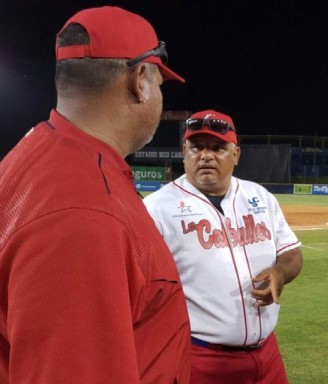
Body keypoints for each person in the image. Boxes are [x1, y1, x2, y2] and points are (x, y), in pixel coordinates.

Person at [0, 6, 191, 383]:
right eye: (159, 83)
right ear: (139, 80)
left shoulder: (40, 153)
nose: (158, 96)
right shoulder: (84, 213)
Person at [143, 109, 304, 384]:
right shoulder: (157, 208)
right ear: (184, 151)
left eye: (218, 148)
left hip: (268, 353)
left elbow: (291, 253)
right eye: (197, 147)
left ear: (236, 155)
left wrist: (280, 273)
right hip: (202, 359)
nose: (206, 155)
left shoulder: (259, 196)